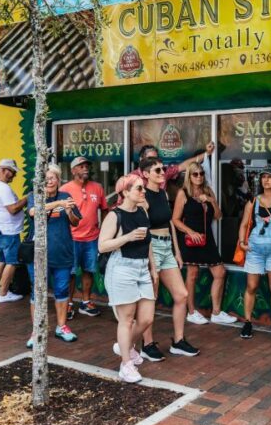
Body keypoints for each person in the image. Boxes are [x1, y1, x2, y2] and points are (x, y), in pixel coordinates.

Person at [124, 157, 199, 361]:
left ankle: (178, 340)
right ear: (146, 174)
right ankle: (147, 344)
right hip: (152, 247)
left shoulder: (164, 193)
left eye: (163, 169)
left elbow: (170, 223)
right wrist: (152, 262)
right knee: (151, 298)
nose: (162, 172)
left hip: (166, 246)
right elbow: (144, 229)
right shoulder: (143, 196)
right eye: (157, 170)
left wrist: (177, 250)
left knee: (181, 295)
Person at [99, 174, 157, 383]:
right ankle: (126, 364)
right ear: (125, 192)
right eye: (139, 189)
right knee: (127, 318)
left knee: (147, 318)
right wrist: (127, 237)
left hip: (142, 268)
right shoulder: (115, 215)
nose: (143, 192)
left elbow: (148, 242)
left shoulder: (142, 211)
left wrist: (154, 267)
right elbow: (102, 245)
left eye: (143, 188)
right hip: (122, 268)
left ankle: (125, 345)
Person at [173, 162, 236, 325]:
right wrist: (190, 232)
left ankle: (216, 312)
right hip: (191, 239)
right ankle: (191, 312)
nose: (199, 176)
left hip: (207, 239)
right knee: (192, 275)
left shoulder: (208, 191)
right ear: (189, 176)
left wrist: (210, 200)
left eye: (201, 173)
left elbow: (218, 215)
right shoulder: (183, 193)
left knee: (219, 272)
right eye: (195, 174)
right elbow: (175, 219)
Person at [26, 164, 81, 347]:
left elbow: (75, 222)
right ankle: (36, 331)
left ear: (58, 180)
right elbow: (34, 212)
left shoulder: (66, 197)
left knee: (62, 291)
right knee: (37, 291)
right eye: (46, 178)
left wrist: (69, 211)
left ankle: (62, 326)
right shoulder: (35, 197)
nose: (49, 181)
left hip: (63, 253)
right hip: (39, 256)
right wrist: (58, 204)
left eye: (53, 178)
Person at [237, 164, 271, 340]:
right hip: (255, 250)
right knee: (252, 286)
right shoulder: (254, 201)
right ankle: (248, 322)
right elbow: (243, 224)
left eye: (270, 177)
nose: (266, 180)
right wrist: (242, 242)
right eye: (263, 177)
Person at [60, 156, 108, 320]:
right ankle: (69, 304)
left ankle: (86, 302)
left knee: (89, 270)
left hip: (92, 238)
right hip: (71, 239)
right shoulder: (64, 189)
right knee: (71, 273)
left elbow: (105, 209)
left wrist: (104, 231)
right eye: (81, 166)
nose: (85, 168)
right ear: (73, 170)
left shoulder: (97, 187)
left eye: (87, 165)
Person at [0, 159, 27, 303]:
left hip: (0, 230)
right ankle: (3, 293)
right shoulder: (3, 188)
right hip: (9, 232)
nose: (14, 175)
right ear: (4, 170)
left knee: (1, 260)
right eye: (12, 172)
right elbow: (13, 209)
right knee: (12, 262)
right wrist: (27, 198)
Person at [132, 141, 215, 189]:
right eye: (150, 158)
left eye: (156, 158)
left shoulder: (164, 172)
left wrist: (207, 153)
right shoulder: (131, 178)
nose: (153, 161)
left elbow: (183, 165)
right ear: (140, 159)